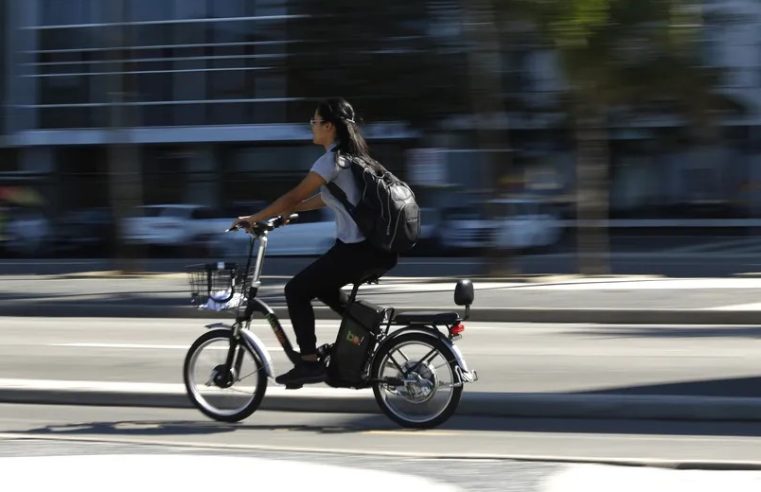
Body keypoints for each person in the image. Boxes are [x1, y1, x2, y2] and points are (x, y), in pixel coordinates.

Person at [231, 98, 398, 386]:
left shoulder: (332, 160)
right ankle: (367, 330)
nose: (311, 126)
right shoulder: (354, 158)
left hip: (356, 250)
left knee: (296, 290)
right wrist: (287, 213)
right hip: (373, 250)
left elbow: (294, 195)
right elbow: (325, 198)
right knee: (323, 288)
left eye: (314, 121)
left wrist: (257, 217)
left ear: (329, 126)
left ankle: (308, 363)